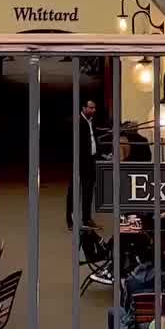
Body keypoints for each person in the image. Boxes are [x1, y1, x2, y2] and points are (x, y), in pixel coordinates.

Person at [66, 98, 99, 230]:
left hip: (91, 161)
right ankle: (71, 220)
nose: (93, 110)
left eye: (94, 108)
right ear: (83, 108)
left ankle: (87, 219)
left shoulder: (92, 121)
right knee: (73, 192)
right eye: (90, 108)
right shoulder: (76, 122)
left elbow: (93, 139)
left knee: (88, 191)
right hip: (78, 161)